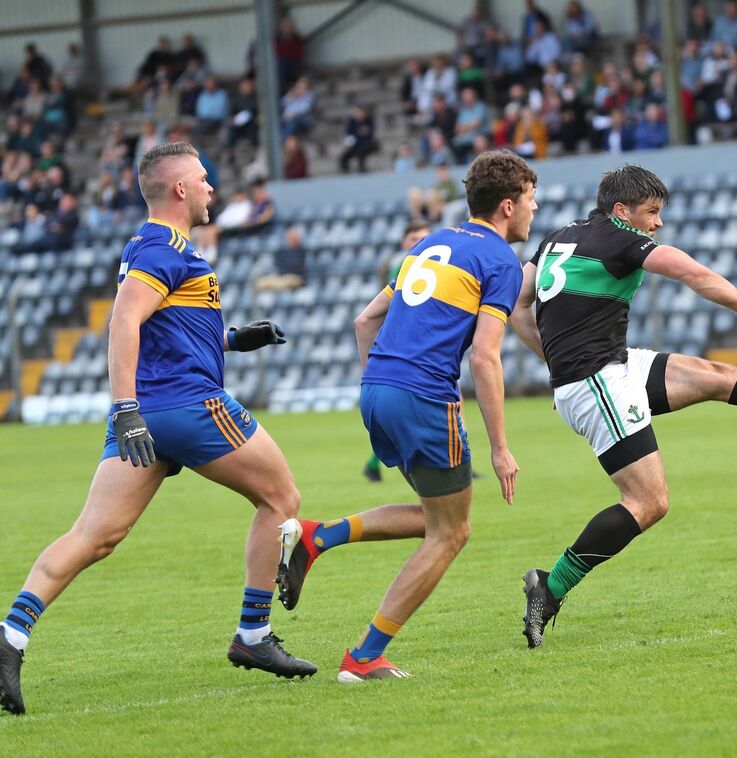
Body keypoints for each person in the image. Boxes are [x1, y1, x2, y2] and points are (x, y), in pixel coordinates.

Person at [0, 142, 315, 717]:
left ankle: (9, 638)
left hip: (149, 414)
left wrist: (232, 339)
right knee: (281, 498)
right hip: (187, 407)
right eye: (202, 179)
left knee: (95, 536)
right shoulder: (166, 244)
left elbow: (162, 326)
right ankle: (252, 637)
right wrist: (124, 405)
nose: (211, 188)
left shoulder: (153, 246)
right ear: (179, 189)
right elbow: (124, 319)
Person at [508, 166, 737, 647]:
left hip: (610, 367)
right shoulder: (620, 238)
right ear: (622, 212)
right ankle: (551, 584)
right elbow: (692, 273)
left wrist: (554, 359)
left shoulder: (558, 237)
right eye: (652, 213)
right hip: (596, 381)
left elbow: (519, 304)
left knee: (714, 377)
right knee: (649, 502)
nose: (658, 224)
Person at [274, 151, 537, 681]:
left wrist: (382, 381)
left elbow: (364, 320)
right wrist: (501, 448)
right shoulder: (501, 262)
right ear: (508, 206)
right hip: (423, 397)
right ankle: (363, 657)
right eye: (532, 200)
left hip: (376, 389)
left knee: (435, 516)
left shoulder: (434, 242)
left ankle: (316, 537)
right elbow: (485, 357)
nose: (534, 210)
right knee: (452, 532)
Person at [362, 220, 432, 482]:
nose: (419, 242)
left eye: (424, 237)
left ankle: (374, 463)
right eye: (414, 237)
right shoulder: (405, 266)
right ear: (405, 242)